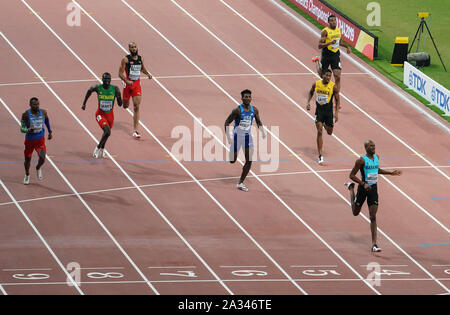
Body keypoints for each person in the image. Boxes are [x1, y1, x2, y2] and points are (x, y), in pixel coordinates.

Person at [344, 140, 402, 252]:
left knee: (373, 216)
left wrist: (390, 173)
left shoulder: (377, 158)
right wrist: (363, 183)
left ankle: (374, 244)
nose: (373, 147)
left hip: (373, 190)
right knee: (355, 212)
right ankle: (351, 188)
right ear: (366, 148)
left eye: (374, 145)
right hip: (363, 189)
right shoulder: (361, 160)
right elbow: (351, 175)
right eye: (371, 146)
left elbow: (377, 170)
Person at [224, 89, 266, 192]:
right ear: (242, 98)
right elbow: (226, 122)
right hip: (237, 137)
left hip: (247, 137)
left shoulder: (254, 110)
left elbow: (259, 121)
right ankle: (232, 151)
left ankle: (240, 182)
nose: (247, 98)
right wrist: (229, 138)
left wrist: (262, 131)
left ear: (251, 98)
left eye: (249, 97)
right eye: (245, 97)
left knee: (249, 160)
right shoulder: (237, 110)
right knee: (232, 160)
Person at [312, 14, 351, 105]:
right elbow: (319, 46)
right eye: (332, 20)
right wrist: (329, 42)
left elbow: (339, 42)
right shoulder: (325, 31)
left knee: (337, 76)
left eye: (335, 20)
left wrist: (347, 47)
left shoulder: (338, 30)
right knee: (322, 76)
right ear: (328, 22)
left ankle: (336, 100)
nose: (334, 22)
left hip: (335, 55)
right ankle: (317, 61)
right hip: (326, 54)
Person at [82, 72, 122, 158]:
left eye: (108, 79)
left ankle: (103, 149)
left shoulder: (115, 89)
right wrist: (84, 103)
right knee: (107, 132)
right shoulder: (97, 87)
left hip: (110, 115)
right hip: (100, 114)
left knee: (106, 133)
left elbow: (120, 104)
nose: (107, 81)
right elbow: (89, 91)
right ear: (102, 80)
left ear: (110, 80)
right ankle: (98, 148)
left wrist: (119, 96)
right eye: (105, 79)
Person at [118, 42, 152, 139]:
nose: (134, 49)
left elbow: (142, 69)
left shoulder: (141, 59)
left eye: (135, 47)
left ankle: (136, 131)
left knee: (136, 106)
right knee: (125, 106)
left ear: (137, 48)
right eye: (132, 47)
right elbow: (120, 74)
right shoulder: (125, 59)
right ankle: (121, 99)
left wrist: (148, 74)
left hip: (136, 84)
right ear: (129, 49)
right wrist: (126, 81)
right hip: (128, 85)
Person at [306, 69, 340, 164]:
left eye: (330, 76)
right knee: (319, 131)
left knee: (329, 132)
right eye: (327, 75)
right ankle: (320, 155)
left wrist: (336, 113)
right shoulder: (316, 84)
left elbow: (338, 100)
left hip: (328, 112)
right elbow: (311, 92)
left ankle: (325, 124)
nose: (328, 77)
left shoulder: (333, 87)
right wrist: (308, 102)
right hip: (319, 111)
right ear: (323, 75)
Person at [20, 97, 53, 185]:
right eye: (34, 104)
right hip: (29, 141)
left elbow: (47, 121)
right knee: (27, 160)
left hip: (40, 140)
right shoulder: (26, 114)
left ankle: (38, 168)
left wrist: (50, 132)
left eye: (38, 104)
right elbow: (22, 128)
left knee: (42, 158)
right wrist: (27, 130)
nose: (37, 106)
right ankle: (27, 174)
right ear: (30, 105)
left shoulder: (43, 112)